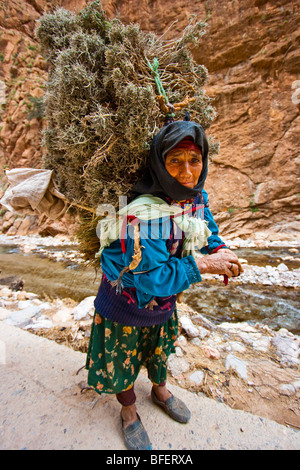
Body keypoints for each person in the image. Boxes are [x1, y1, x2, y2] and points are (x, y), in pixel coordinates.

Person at [86, 118, 243, 450]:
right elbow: (154, 276)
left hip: (163, 302)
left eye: (194, 160)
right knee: (121, 359)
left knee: (159, 351)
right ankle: (129, 411)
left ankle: (159, 390)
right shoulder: (139, 214)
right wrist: (205, 263)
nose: (187, 171)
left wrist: (219, 248)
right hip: (125, 303)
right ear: (159, 162)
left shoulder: (194, 197)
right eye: (175, 161)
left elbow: (206, 226)